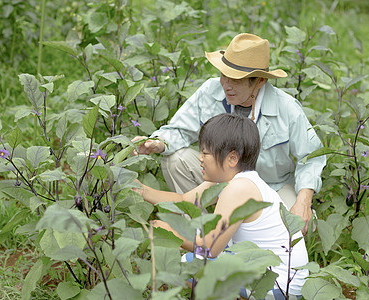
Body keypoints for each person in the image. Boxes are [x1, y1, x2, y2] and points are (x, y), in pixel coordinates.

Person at [133, 33, 326, 234]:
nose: (226, 84)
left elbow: (311, 157)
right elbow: (179, 130)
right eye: (224, 75)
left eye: (236, 79)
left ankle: (235, 237)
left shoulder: (286, 108)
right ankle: (194, 231)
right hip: (221, 178)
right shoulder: (210, 90)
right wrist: (157, 143)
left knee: (297, 226)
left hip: (271, 186)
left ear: (259, 81)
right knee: (176, 160)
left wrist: (304, 200)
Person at [134, 113, 308, 298]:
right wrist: (142, 190)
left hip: (279, 286)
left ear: (232, 158)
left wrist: (170, 233)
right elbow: (184, 201)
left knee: (188, 265)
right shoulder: (237, 179)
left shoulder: (239, 188)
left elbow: (210, 248)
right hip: (283, 276)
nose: (200, 158)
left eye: (205, 153)